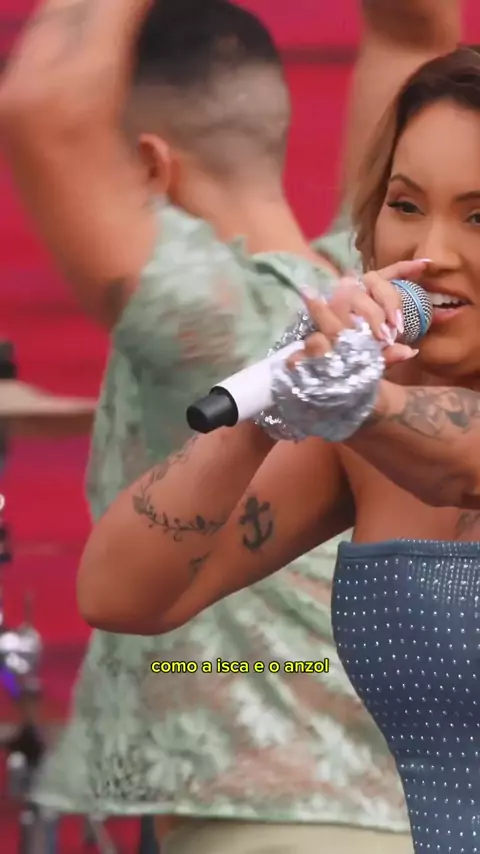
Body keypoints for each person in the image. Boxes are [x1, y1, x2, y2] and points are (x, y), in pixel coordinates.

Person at [0, 1, 459, 853]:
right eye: (405, 201)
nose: (435, 241)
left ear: (149, 165)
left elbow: (47, 111)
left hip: (274, 815)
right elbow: (414, 33)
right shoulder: (367, 298)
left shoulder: (204, 301)